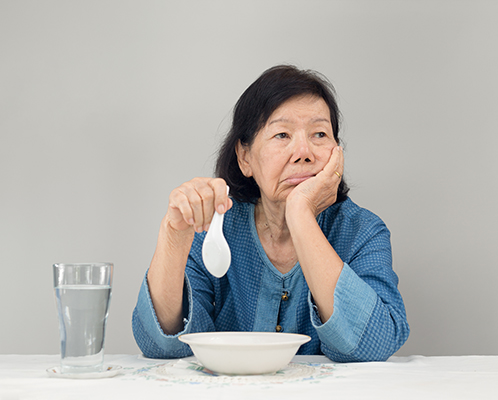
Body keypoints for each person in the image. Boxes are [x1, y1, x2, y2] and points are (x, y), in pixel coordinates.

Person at [132, 65, 409, 362]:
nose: (304, 152)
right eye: (282, 134)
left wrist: (301, 214)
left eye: (319, 134)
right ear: (245, 157)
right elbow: (163, 346)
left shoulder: (363, 231)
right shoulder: (213, 228)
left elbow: (373, 346)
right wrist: (174, 236)